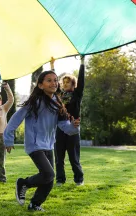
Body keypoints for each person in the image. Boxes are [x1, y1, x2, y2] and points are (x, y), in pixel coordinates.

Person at [3, 71, 80, 211]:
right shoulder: (34, 102)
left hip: (48, 145)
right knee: (49, 174)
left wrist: (74, 126)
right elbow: (16, 118)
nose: (54, 83)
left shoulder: (57, 103)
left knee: (49, 180)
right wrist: (8, 138)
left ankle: (34, 204)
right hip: (34, 144)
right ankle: (23, 183)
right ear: (40, 85)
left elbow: (65, 127)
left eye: (55, 80)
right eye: (49, 80)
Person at [51, 56, 85, 186]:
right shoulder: (58, 95)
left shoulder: (77, 95)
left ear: (73, 84)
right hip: (59, 128)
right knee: (59, 157)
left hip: (73, 128)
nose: (64, 84)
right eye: (63, 82)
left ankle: (79, 179)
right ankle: (60, 180)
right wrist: (53, 66)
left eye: (68, 82)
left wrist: (82, 62)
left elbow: (81, 80)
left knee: (74, 157)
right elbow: (53, 81)